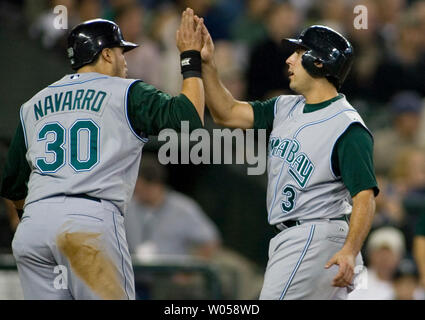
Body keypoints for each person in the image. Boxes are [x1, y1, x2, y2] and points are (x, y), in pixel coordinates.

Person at [0, 8, 205, 300]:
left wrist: (35, 217)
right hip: (88, 222)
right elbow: (190, 118)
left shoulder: (34, 103)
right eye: (122, 52)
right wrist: (190, 57)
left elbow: (12, 184)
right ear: (106, 54)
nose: (125, 60)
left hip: (33, 228)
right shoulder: (125, 92)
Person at [199, 23, 379, 299]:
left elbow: (364, 197)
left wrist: (350, 250)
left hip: (313, 234)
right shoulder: (286, 106)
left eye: (299, 51)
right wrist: (208, 65)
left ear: (319, 62)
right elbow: (227, 113)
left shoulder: (347, 127)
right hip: (301, 238)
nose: (289, 59)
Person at [124, 154, 221, 259]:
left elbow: (210, 241)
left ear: (154, 185)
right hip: (134, 272)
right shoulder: (127, 207)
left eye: (139, 187)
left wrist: (187, 273)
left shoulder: (182, 208)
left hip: (170, 273)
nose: (135, 192)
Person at [348, 227, 405, 300]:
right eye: (380, 252)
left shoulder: (410, 283)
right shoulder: (357, 281)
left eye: (389, 253)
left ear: (399, 256)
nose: (385, 257)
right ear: (370, 254)